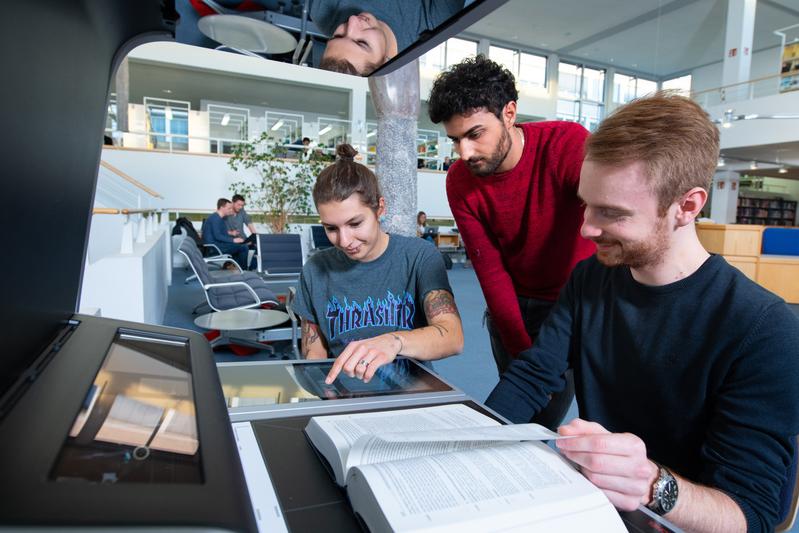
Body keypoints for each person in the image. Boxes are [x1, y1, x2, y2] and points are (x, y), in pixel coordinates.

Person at [485, 93, 799, 533]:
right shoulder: (589, 279)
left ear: (687, 207)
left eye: (612, 213)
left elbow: (754, 515)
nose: (587, 228)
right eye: (586, 204)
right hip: (602, 507)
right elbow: (535, 375)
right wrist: (473, 439)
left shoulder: (765, 329)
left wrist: (655, 485)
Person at [428, 55, 595, 428]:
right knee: (519, 412)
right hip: (511, 310)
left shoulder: (566, 144)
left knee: (547, 418)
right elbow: (490, 270)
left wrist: (565, 332)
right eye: (455, 140)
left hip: (570, 306)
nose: (464, 153)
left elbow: (601, 229)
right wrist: (524, 356)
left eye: (474, 134)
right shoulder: (459, 180)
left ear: (509, 113)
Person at [294, 144, 463, 384]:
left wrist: (394, 341)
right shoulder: (315, 270)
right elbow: (315, 354)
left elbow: (452, 336)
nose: (344, 240)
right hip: (346, 397)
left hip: (412, 395)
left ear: (379, 208)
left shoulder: (419, 256)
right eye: (331, 228)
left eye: (355, 224)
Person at [312, 1, 464, 76]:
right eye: (361, 42)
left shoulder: (323, 15)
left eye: (338, 35)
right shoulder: (435, 22)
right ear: (386, 63)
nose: (351, 21)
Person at [202, 198, 251, 271]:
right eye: (229, 208)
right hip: (213, 248)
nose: (231, 210)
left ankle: (233, 267)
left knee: (240, 245)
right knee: (243, 247)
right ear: (222, 208)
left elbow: (222, 234)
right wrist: (233, 240)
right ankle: (243, 270)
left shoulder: (218, 218)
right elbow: (218, 236)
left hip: (216, 245)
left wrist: (236, 239)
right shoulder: (216, 219)